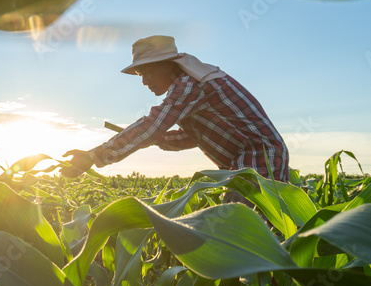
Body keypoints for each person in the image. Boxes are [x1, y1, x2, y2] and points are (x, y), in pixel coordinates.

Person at [61, 36, 289, 201]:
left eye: (147, 72)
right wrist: (157, 138)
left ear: (168, 65)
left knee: (237, 227)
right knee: (249, 230)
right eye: (141, 75)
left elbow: (152, 124)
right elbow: (194, 136)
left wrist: (93, 156)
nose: (144, 81)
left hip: (259, 155)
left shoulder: (189, 85)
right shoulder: (190, 85)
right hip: (246, 157)